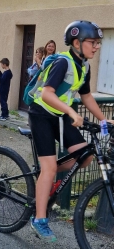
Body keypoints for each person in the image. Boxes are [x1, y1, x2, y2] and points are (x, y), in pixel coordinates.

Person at [28, 20, 113, 242]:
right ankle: (39, 219)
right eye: (93, 42)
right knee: (47, 168)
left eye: (98, 43)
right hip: (41, 114)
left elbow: (85, 96)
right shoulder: (63, 63)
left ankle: (46, 177)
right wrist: (72, 113)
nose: (97, 47)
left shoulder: (84, 66)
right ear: (77, 42)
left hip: (59, 114)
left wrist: (105, 120)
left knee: (85, 155)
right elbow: (47, 94)